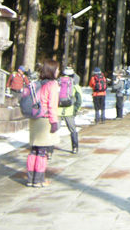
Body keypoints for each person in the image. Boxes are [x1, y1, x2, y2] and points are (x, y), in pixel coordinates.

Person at [26, 59, 60, 187]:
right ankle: (39, 179)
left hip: (34, 119)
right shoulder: (52, 85)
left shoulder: (39, 83)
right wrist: (54, 121)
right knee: (42, 151)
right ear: (52, 71)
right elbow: (52, 105)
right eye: (57, 69)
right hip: (45, 120)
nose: (58, 71)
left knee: (33, 150)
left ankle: (30, 178)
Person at [58, 66, 82, 154]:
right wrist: (75, 110)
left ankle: (48, 151)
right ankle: (75, 147)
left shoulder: (59, 82)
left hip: (58, 110)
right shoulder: (74, 85)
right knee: (72, 130)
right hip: (69, 110)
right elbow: (79, 100)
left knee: (53, 130)